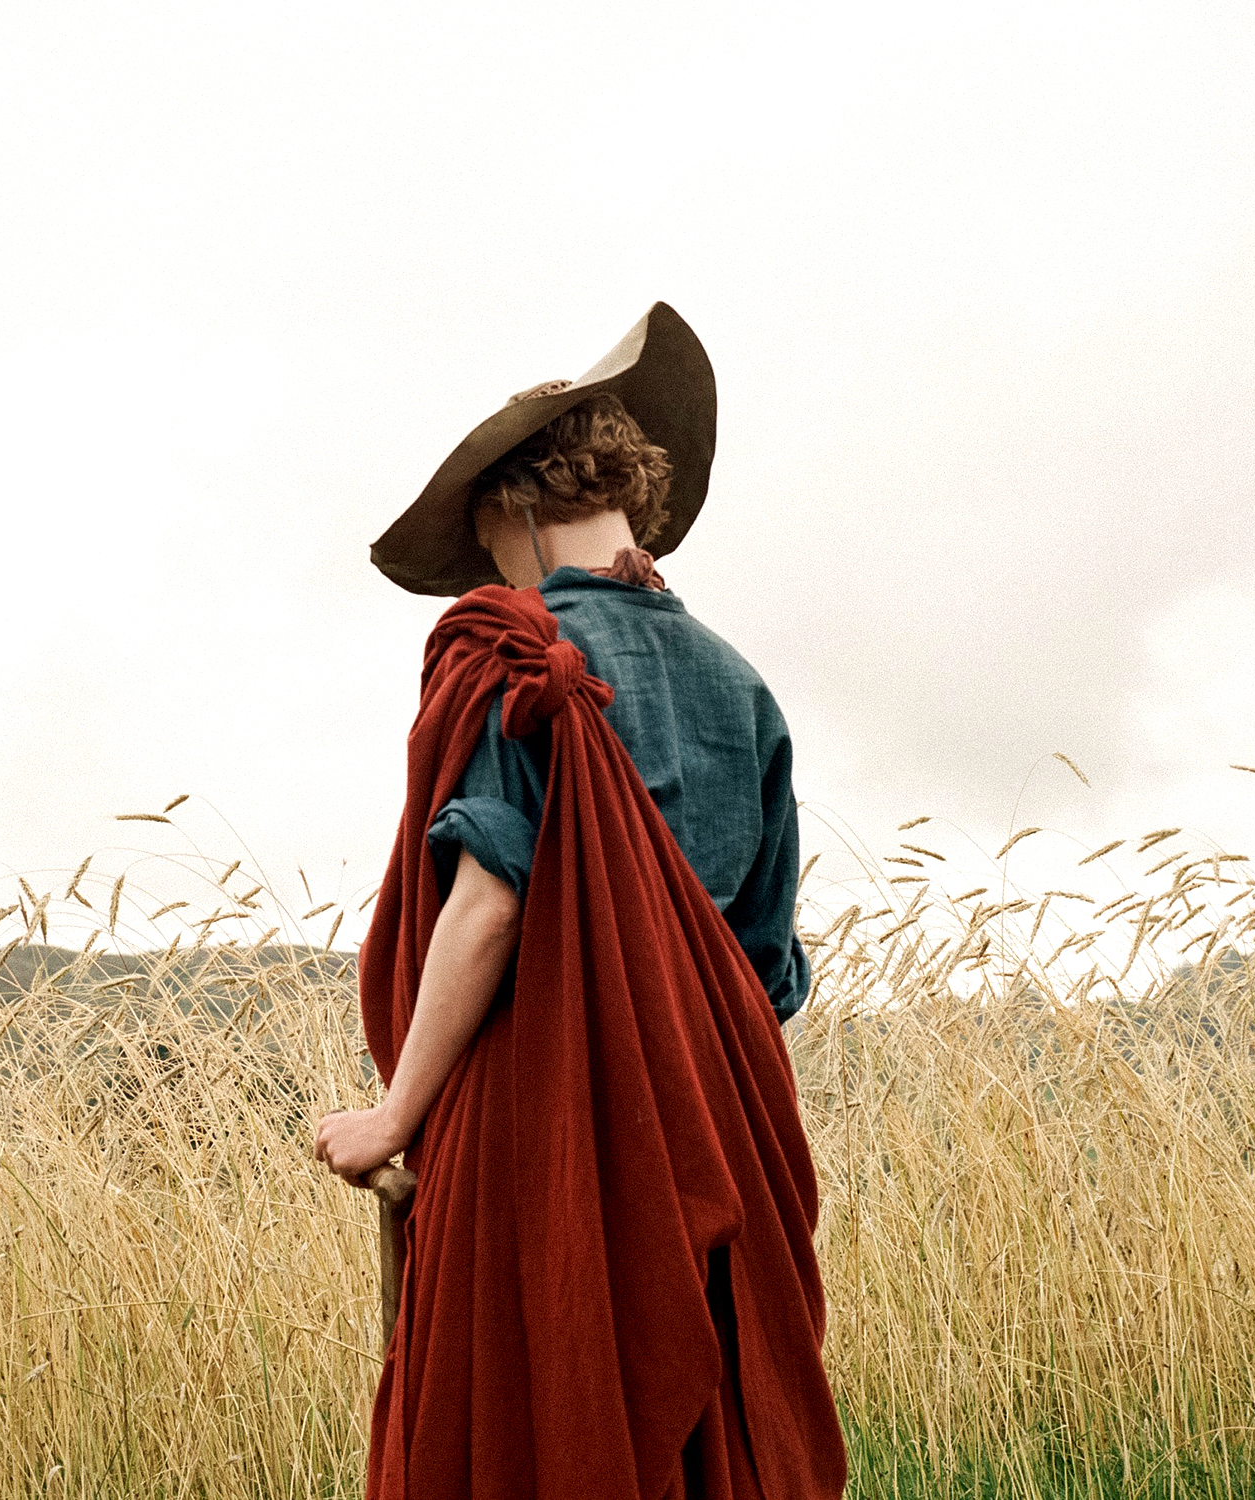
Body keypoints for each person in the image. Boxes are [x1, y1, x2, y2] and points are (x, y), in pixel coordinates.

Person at [314, 304, 846, 1499]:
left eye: (485, 544)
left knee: (535, 1435)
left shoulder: (517, 653)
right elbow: (762, 973)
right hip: (715, 1129)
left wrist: (391, 1119)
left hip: (542, 1132)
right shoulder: (743, 687)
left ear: (509, 510)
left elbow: (488, 906)